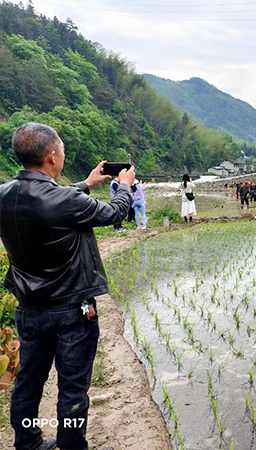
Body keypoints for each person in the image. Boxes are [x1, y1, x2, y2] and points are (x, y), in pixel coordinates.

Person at [0, 123, 135, 450]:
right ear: (51, 156)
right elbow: (117, 211)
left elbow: (49, 199)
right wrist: (124, 186)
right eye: (61, 150)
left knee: (28, 385)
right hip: (70, 311)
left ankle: (28, 443)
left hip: (29, 310)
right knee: (72, 389)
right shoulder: (62, 200)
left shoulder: (4, 194)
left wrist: (87, 183)